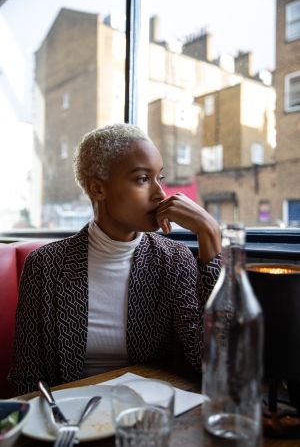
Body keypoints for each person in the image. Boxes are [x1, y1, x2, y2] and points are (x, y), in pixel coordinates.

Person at [9, 123, 222, 395]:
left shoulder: (174, 260)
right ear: (98, 189)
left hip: (151, 417)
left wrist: (210, 234)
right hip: (73, 419)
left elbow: (213, 360)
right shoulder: (45, 266)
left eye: (160, 178)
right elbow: (27, 378)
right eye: (143, 179)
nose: (160, 194)